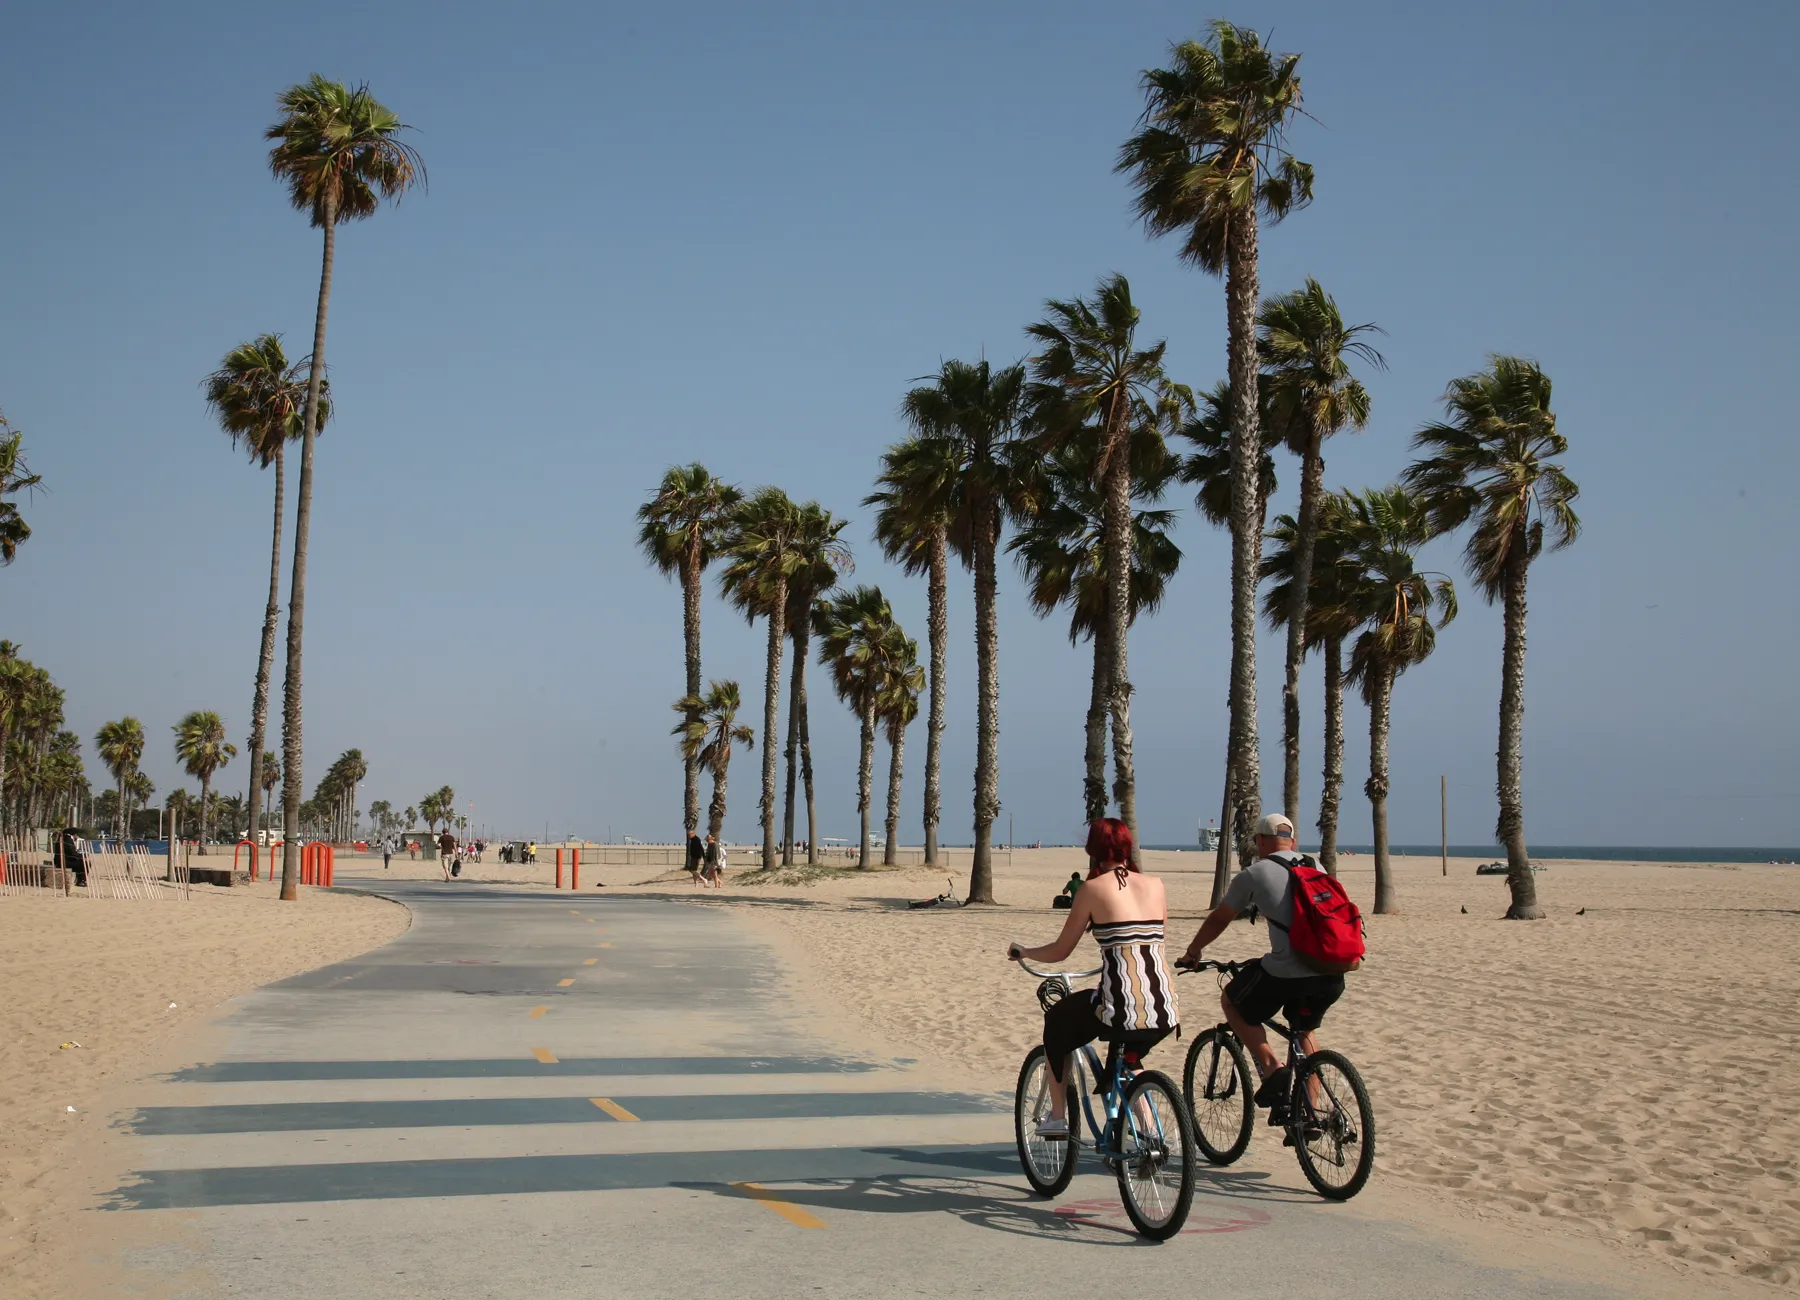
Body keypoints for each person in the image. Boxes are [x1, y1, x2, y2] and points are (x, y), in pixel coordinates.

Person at [1005, 818, 1178, 1139]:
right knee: (1131, 1057)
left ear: (1093, 850)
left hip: (1122, 1005)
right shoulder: (1156, 884)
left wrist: (1025, 952)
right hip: (1164, 1006)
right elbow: (1154, 938)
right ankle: (1150, 1130)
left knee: (1057, 1022)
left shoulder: (1092, 889)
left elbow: (1060, 951)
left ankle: (1057, 1118)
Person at [1177, 812, 1345, 1127]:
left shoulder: (1254, 873)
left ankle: (1272, 1068)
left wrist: (1193, 951)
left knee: (1231, 1000)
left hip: (1288, 973)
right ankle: (1311, 1114)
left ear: (1261, 841)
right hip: (1331, 969)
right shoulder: (1316, 866)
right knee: (1304, 1031)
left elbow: (1220, 918)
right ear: (1293, 841)